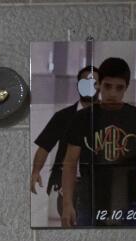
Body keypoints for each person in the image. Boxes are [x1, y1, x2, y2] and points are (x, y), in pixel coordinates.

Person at [60, 56, 136, 228]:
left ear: (126, 88)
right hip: (90, 201)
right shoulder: (83, 118)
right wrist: (67, 204)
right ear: (98, 85)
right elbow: (70, 162)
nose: (112, 93)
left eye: (119, 88)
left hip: (128, 201)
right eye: (108, 86)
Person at [29, 65, 97, 219]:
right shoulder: (63, 116)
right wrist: (35, 171)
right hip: (66, 183)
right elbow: (45, 146)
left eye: (93, 83)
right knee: (68, 224)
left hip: (97, 183)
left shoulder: (106, 117)